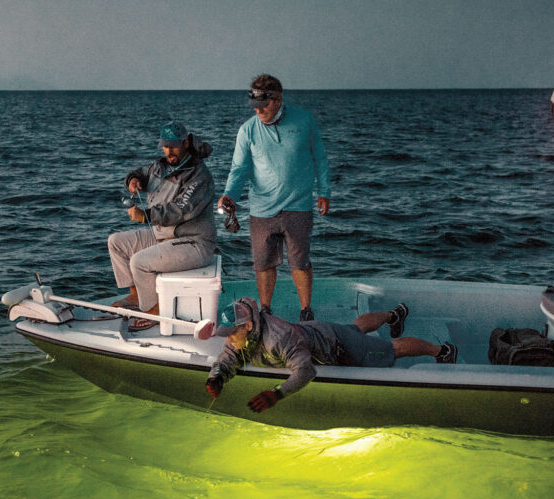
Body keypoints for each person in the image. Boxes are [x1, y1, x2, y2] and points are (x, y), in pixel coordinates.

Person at [205, 298, 458, 412]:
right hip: (319, 332)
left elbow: (305, 370)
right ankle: (394, 315)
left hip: (338, 346)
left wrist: (277, 393)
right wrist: (216, 377)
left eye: (230, 333)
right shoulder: (244, 336)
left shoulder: (278, 338)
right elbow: (229, 355)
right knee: (356, 328)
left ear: (248, 326)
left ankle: (441, 351)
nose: (228, 339)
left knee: (391, 350)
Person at [218, 74, 331, 322]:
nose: (258, 110)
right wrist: (229, 195)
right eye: (254, 105)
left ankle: (306, 310)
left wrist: (324, 191)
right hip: (262, 209)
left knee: (300, 262)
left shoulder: (304, 121)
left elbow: (320, 158)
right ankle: (266, 310)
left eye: (263, 104)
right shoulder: (247, 130)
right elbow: (239, 169)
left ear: (278, 99)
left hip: (298, 206)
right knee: (263, 263)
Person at [107, 120, 216, 332]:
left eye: (174, 145)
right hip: (163, 235)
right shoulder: (160, 166)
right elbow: (140, 172)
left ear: (185, 143)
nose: (169, 150)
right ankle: (136, 296)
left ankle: (154, 311)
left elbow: (181, 210)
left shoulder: (199, 175)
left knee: (139, 262)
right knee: (116, 243)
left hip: (194, 242)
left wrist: (145, 215)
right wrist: (133, 180)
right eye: (165, 145)